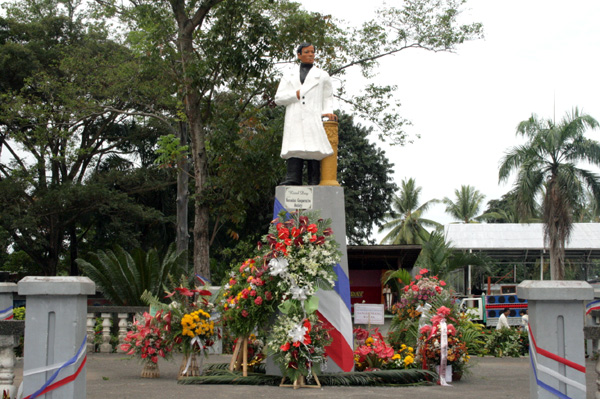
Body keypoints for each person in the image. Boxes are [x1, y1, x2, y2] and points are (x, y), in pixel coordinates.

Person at [275, 43, 337, 186]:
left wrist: (328, 112)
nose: (310, 54)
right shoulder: (288, 75)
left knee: (313, 147)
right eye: (307, 52)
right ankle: (293, 177)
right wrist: (294, 95)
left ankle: (313, 179)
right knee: (294, 147)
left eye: (313, 52)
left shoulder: (322, 75)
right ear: (299, 55)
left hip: (313, 114)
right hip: (294, 115)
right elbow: (278, 98)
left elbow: (327, 97)